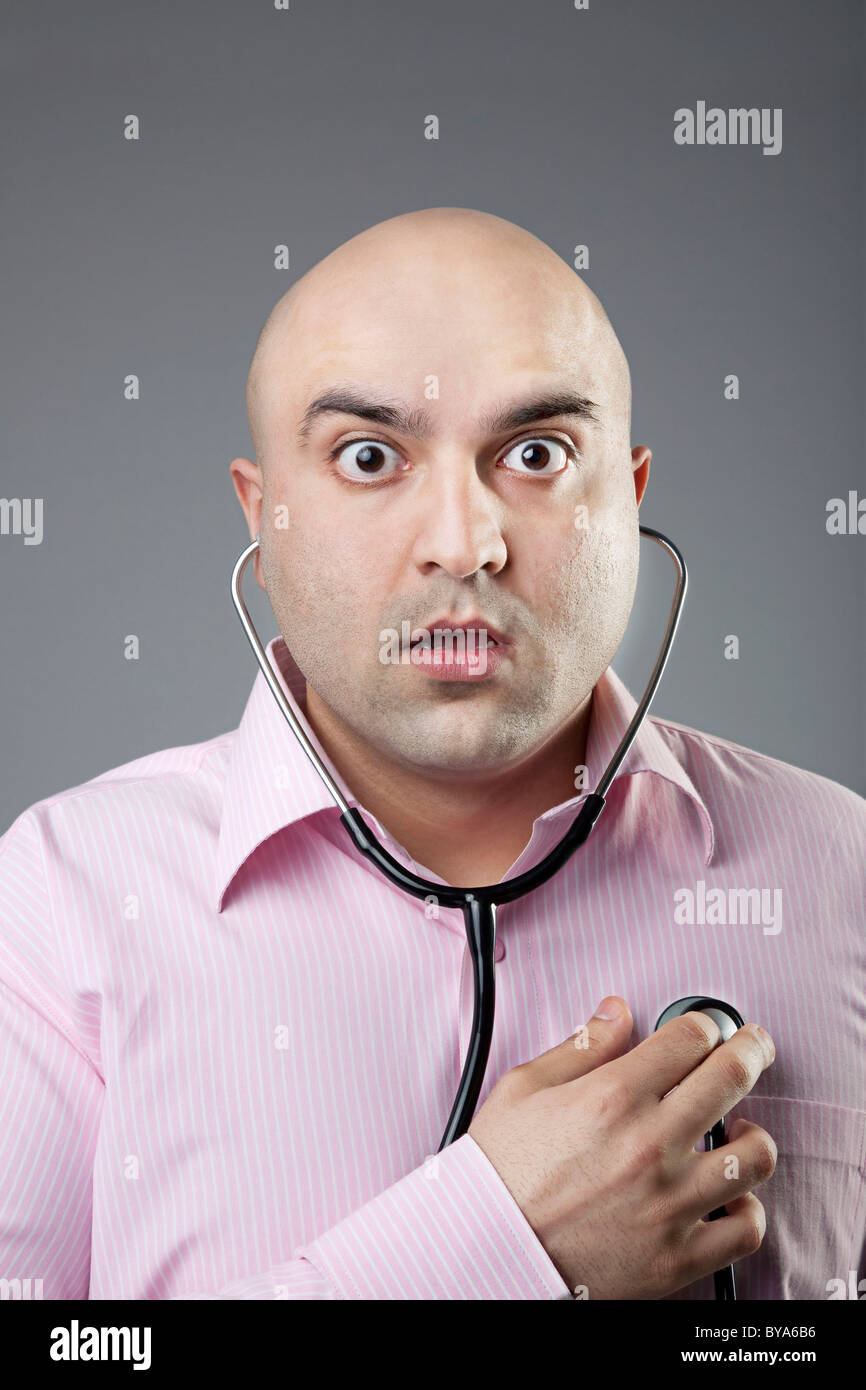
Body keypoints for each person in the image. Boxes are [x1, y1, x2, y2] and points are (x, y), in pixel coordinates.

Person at [1, 207, 863, 1301]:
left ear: (628, 498)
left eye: (537, 454)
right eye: (369, 457)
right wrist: (497, 1253)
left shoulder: (841, 870)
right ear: (263, 521)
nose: (463, 542)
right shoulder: (60, 900)